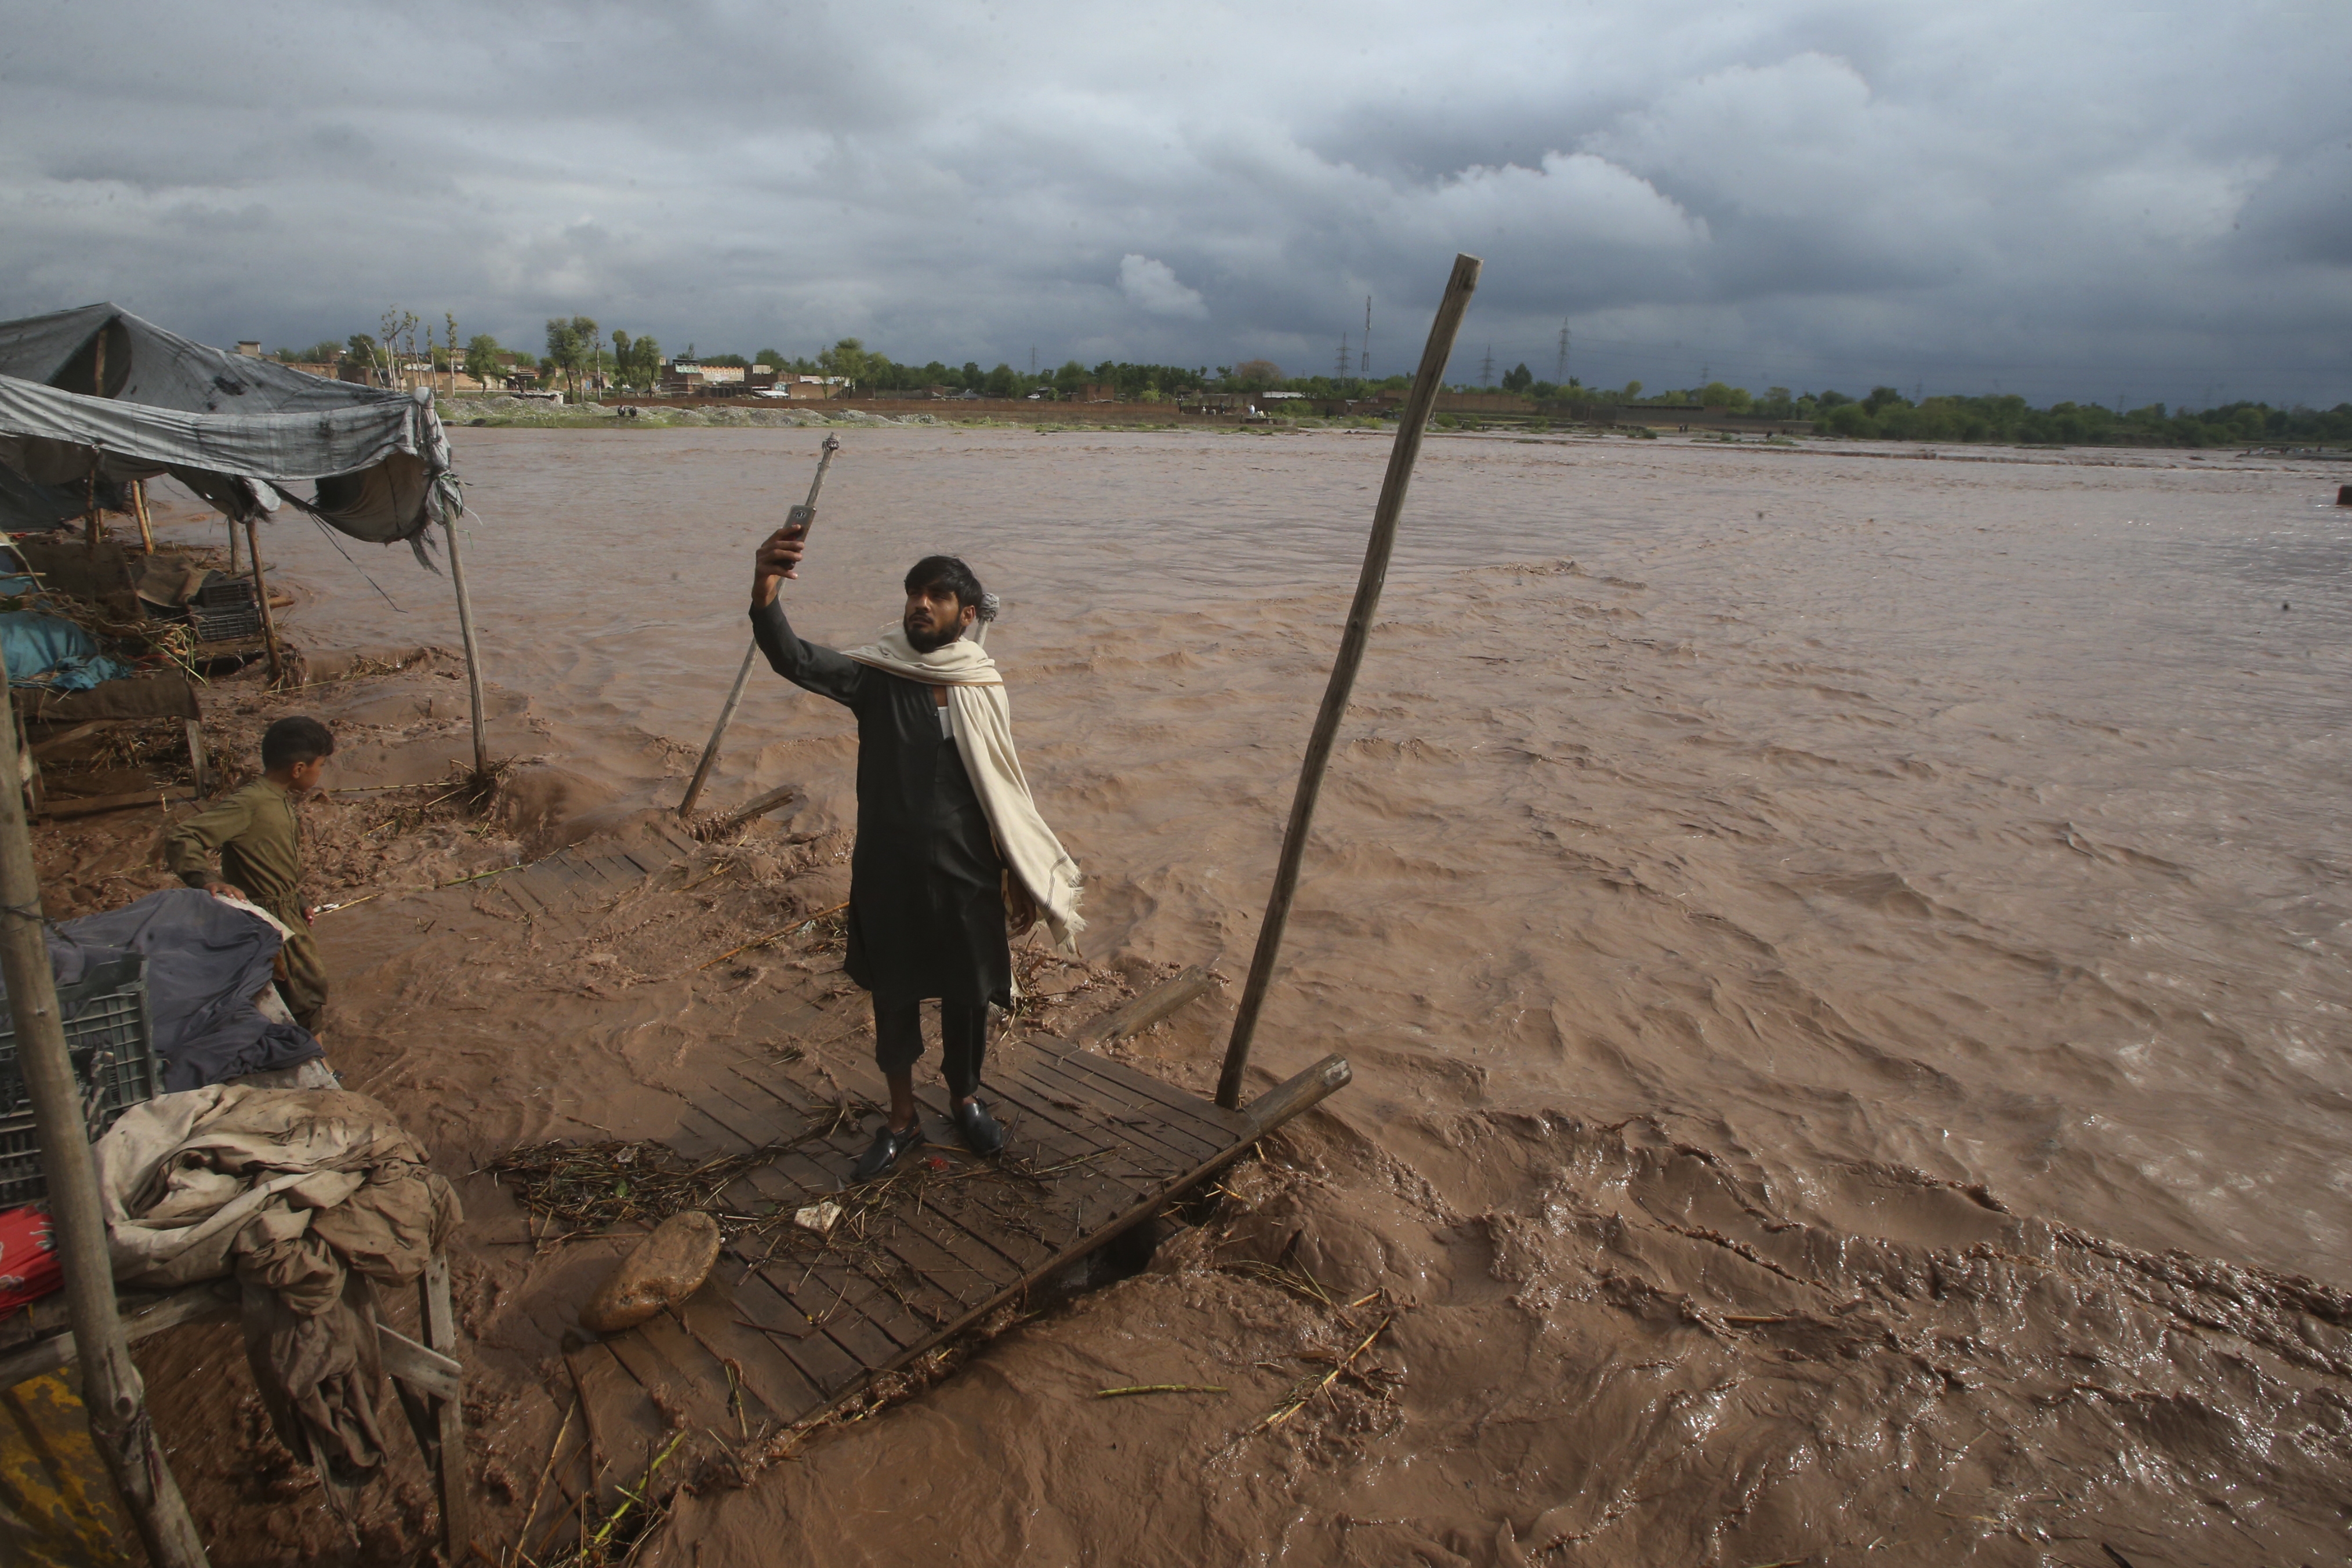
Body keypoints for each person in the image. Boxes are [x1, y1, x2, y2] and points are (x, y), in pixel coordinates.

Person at [750, 522, 1082, 1181]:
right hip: (889, 870)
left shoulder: (982, 685)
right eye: (913, 593)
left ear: (966, 613)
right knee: (894, 997)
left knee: (967, 996)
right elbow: (793, 658)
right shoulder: (876, 678)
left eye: (937, 595)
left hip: (966, 872)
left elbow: (1005, 792)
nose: (920, 604)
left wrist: (1016, 870)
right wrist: (764, 591)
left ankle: (965, 1098)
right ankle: (901, 1118)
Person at [163, 715, 334, 1032]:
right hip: (264, 921)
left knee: (301, 994)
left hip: (285, 912)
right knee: (304, 996)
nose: (320, 773)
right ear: (298, 769)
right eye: (320, 766)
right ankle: (311, 1067)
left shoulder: (277, 800)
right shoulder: (249, 803)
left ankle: (308, 1058)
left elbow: (270, 860)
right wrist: (208, 879)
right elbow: (181, 838)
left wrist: (297, 896)